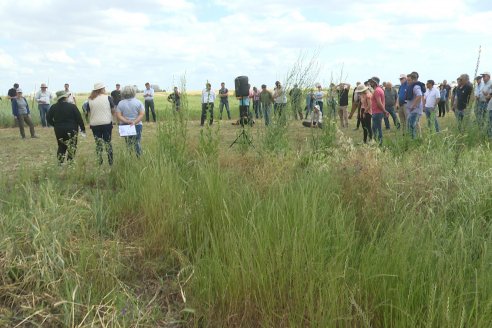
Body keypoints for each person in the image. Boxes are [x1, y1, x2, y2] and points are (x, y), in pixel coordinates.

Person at [46, 90, 86, 163]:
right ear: (65, 98)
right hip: (72, 128)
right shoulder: (72, 106)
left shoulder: (53, 107)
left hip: (59, 129)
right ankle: (70, 163)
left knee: (61, 146)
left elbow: (48, 118)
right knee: (72, 145)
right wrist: (83, 129)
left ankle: (60, 163)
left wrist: (55, 124)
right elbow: (79, 118)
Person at [86, 83, 115, 165]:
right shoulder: (108, 97)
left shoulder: (90, 99)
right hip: (106, 123)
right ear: (102, 89)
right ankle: (110, 162)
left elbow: (88, 112)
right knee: (108, 143)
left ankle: (100, 161)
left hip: (94, 124)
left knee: (98, 144)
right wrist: (112, 117)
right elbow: (113, 110)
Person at [116, 86, 145, 157]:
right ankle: (139, 157)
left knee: (128, 142)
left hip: (125, 125)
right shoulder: (138, 102)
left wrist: (127, 121)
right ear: (133, 92)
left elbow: (119, 116)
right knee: (137, 142)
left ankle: (129, 157)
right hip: (137, 125)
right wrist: (134, 122)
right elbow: (141, 114)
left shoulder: (120, 103)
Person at [368, 77, 387, 145]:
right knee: (375, 128)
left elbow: (379, 103)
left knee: (377, 129)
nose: (370, 83)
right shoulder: (379, 89)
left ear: (375, 82)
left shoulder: (377, 91)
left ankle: (379, 144)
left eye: (371, 82)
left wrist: (384, 111)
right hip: (377, 112)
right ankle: (377, 142)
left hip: (377, 113)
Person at [406, 73, 424, 139]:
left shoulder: (416, 87)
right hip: (412, 110)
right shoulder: (411, 86)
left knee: (411, 126)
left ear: (413, 80)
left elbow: (419, 95)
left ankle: (413, 140)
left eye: (409, 80)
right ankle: (413, 138)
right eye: (407, 80)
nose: (407, 82)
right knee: (410, 125)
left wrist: (413, 106)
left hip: (415, 110)